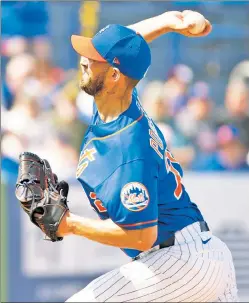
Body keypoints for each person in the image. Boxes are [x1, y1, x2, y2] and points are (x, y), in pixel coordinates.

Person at [55, 10, 238, 302]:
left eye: (92, 59)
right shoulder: (119, 102)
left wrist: (69, 224)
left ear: (114, 76)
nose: (83, 61)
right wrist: (169, 22)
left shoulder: (129, 146)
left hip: (180, 262)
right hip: (204, 254)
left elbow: (140, 236)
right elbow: (126, 44)